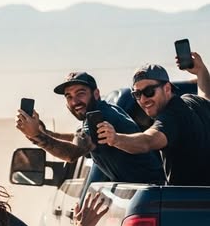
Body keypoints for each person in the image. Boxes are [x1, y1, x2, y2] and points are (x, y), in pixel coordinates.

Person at [16, 71, 165, 184]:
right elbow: (80, 137)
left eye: (80, 93)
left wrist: (36, 136)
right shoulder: (104, 110)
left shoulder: (100, 116)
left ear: (96, 94)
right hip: (149, 191)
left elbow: (72, 153)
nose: (75, 101)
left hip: (150, 193)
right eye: (69, 96)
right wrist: (47, 133)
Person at [96, 52, 210, 186]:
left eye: (149, 91)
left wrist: (115, 139)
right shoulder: (192, 102)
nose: (143, 99)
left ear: (167, 88)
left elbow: (148, 141)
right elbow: (206, 97)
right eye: (137, 94)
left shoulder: (171, 116)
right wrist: (201, 70)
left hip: (187, 197)